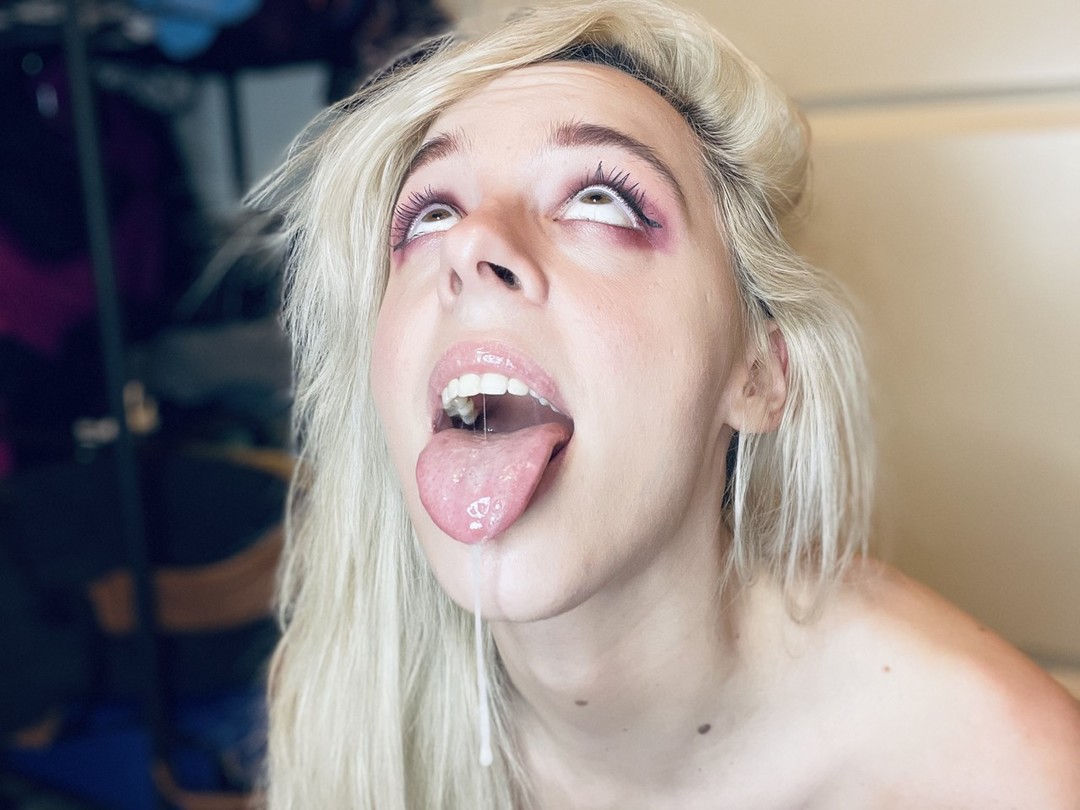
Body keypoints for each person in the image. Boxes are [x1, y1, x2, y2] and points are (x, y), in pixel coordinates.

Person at [252, 0, 1080, 806]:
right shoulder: (335, 703)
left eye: (600, 198)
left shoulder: (1009, 776)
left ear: (756, 375)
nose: (471, 242)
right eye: (431, 214)